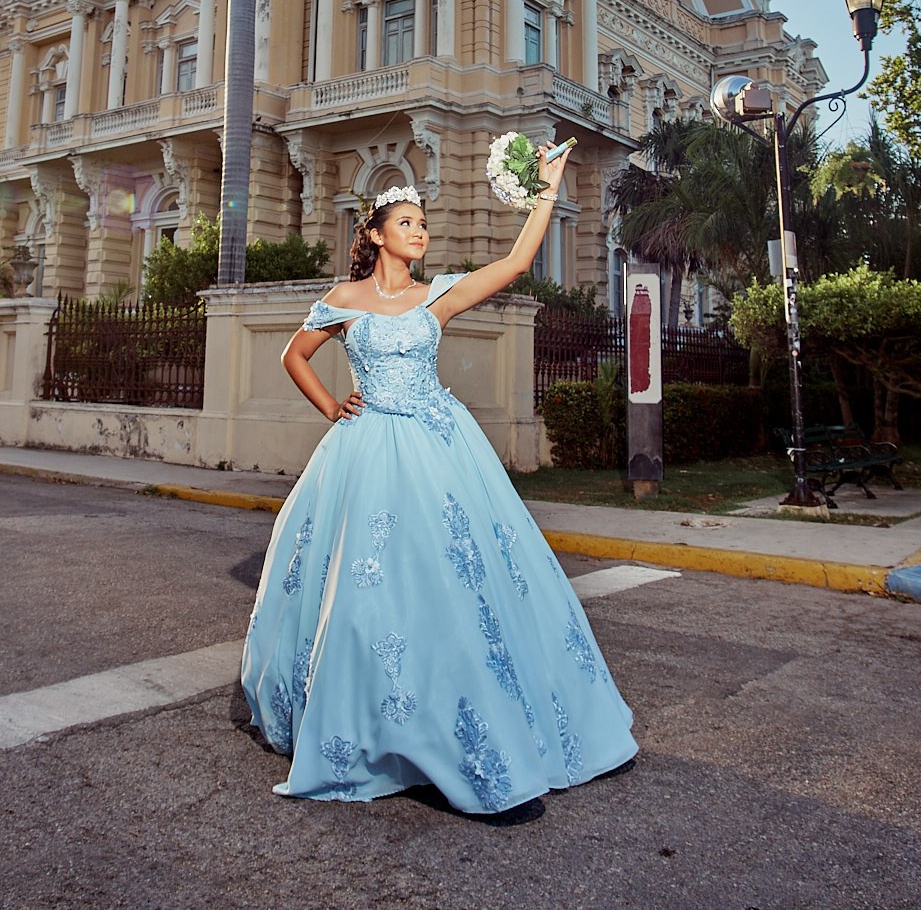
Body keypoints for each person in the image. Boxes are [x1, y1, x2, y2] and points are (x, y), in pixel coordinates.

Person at [240, 142, 637, 813]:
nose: (418, 233)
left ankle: (475, 730)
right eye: (405, 223)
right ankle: (379, 727)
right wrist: (332, 405)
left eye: (422, 225)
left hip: (439, 444)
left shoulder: (438, 297)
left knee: (455, 583)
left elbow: (514, 263)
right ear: (374, 233)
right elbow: (294, 354)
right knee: (370, 592)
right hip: (367, 450)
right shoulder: (343, 299)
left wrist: (548, 188)